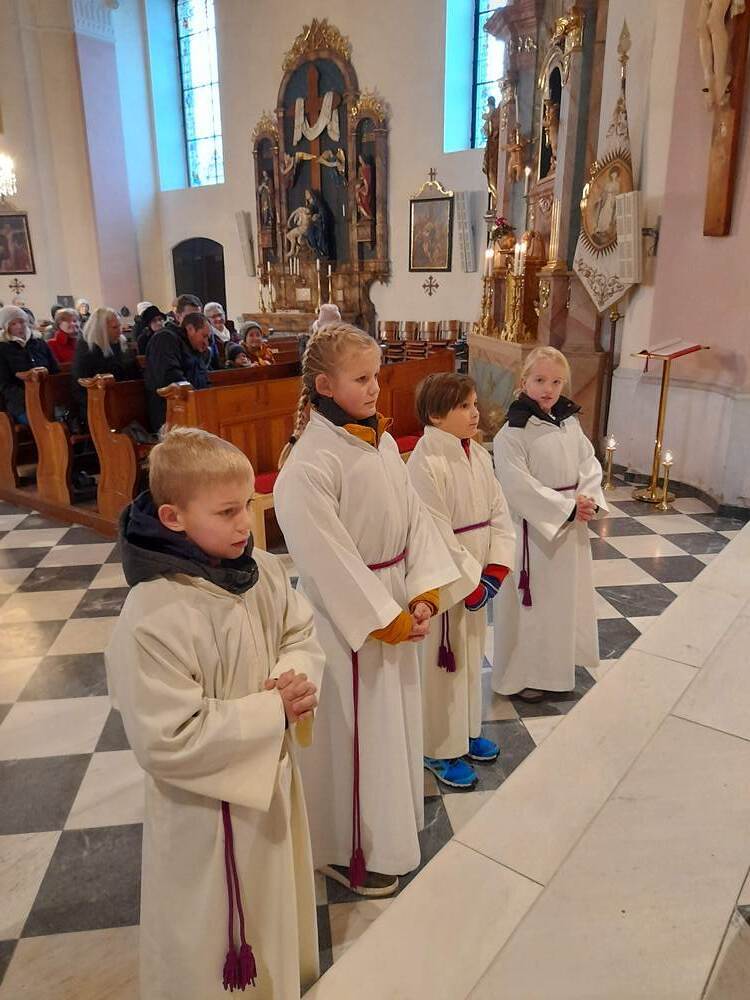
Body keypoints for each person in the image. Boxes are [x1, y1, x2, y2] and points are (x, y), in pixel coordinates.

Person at [105, 427, 324, 1000]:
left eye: (247, 504)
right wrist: (272, 711)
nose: (245, 523)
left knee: (272, 903)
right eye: (227, 512)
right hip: (202, 812)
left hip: (268, 783)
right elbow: (165, 737)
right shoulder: (154, 612)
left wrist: (295, 675)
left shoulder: (263, 571)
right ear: (173, 517)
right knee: (208, 937)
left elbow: (299, 632)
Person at [274, 319, 458, 898]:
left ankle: (391, 834)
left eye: (376, 375)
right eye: (361, 378)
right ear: (325, 386)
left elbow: (415, 518)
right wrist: (385, 617)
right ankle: (348, 849)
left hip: (395, 600)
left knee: (391, 729)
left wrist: (423, 590)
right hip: (349, 624)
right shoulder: (309, 464)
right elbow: (326, 557)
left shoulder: (377, 441)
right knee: (356, 738)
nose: (376, 387)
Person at [407, 374, 515, 789]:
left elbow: (499, 512)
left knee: (470, 661)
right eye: (465, 406)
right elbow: (433, 532)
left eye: (474, 404)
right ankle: (436, 748)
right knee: (442, 669)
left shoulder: (479, 455)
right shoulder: (424, 463)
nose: (475, 413)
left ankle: (466, 732)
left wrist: (495, 572)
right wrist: (470, 583)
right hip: (444, 583)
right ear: (436, 416)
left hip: (478, 574)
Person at [492, 346, 607, 703]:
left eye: (557, 382)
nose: (549, 389)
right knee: (534, 607)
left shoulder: (569, 422)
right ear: (524, 380)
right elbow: (517, 486)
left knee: (563, 601)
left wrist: (588, 497)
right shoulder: (513, 432)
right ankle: (525, 674)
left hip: (570, 527)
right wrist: (567, 508)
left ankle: (558, 668)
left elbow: (589, 462)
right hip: (537, 532)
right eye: (540, 380)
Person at [144, 309, 211, 432]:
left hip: (192, 409)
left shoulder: (195, 347)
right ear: (190, 329)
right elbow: (169, 378)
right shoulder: (165, 339)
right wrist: (195, 400)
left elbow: (203, 379)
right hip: (170, 414)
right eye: (204, 336)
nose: (206, 343)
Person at [71, 307, 140, 425]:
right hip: (96, 407)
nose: (120, 331)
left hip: (121, 402)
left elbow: (132, 375)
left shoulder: (120, 345)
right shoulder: (87, 350)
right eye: (115, 327)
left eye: (119, 326)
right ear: (101, 330)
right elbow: (80, 387)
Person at [0, 305, 59, 424]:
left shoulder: (38, 342)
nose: (19, 326)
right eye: (13, 324)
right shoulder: (2, 348)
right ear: (6, 327)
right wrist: (31, 397)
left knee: (62, 418)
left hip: (48, 397)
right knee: (38, 422)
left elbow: (54, 370)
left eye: (22, 321)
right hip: (20, 403)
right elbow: (5, 384)